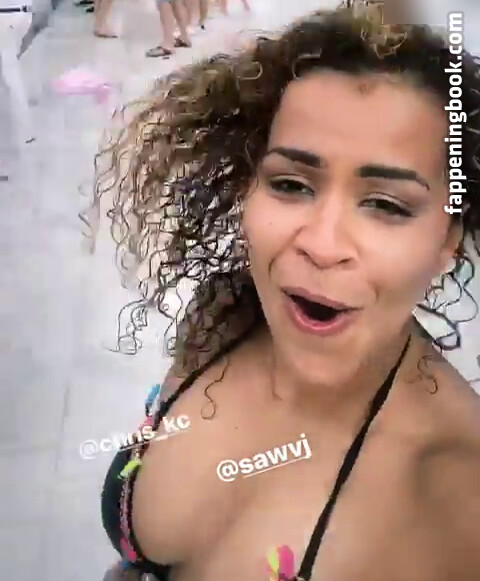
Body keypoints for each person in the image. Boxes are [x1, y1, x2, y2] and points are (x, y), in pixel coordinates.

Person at [94, 1, 480, 579]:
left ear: (448, 240)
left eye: (385, 205)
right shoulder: (223, 315)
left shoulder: (457, 494)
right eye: (292, 185)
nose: (322, 245)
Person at [0, 0, 35, 146]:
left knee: (10, 72)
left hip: (6, 15)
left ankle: (24, 130)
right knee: (9, 66)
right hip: (24, 13)